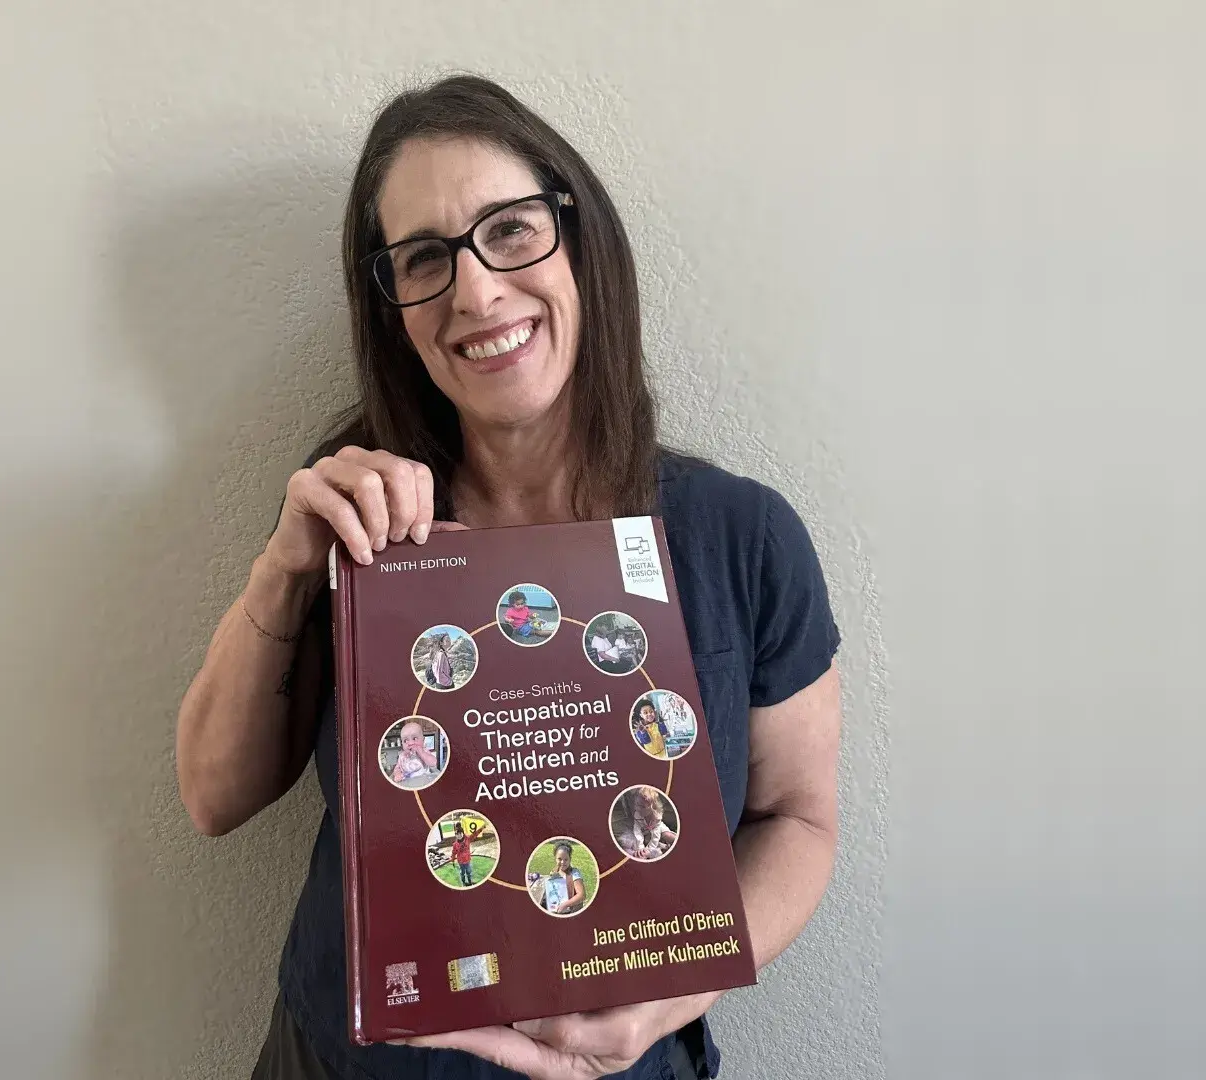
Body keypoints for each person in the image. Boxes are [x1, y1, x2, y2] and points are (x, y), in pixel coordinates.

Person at [175, 74, 842, 1080]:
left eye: (512, 230)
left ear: (580, 240)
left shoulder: (737, 536)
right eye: (426, 259)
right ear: (389, 302)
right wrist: (285, 568)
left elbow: (799, 816)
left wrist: (677, 991)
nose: (477, 291)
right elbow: (213, 797)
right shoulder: (359, 521)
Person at [541, 841, 587, 915]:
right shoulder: (555, 871)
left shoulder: (574, 873)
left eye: (566, 859)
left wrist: (565, 905)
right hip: (555, 908)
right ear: (555, 859)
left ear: (570, 859)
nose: (562, 862)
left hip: (570, 912)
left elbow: (582, 895)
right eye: (559, 859)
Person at [387, 720, 438, 786]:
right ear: (402, 743)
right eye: (405, 740)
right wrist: (397, 774)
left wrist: (421, 752)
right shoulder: (402, 756)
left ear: (423, 740)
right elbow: (397, 768)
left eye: (415, 738)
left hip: (424, 783)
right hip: (407, 784)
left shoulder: (424, 751)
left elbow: (433, 763)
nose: (410, 743)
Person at [449, 821, 474, 886]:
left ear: (463, 833)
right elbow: (453, 852)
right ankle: (463, 882)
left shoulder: (467, 839)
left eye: (460, 833)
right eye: (457, 834)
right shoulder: (455, 844)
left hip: (467, 861)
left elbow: (474, 834)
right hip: (460, 862)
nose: (459, 835)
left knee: (469, 872)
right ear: (455, 835)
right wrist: (452, 859)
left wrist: (481, 829)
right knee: (462, 872)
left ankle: (470, 882)